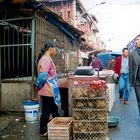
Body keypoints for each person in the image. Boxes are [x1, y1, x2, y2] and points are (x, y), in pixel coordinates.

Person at [35, 40, 61, 136]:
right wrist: (38, 86)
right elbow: (42, 76)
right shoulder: (45, 59)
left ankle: (59, 124)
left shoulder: (47, 58)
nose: (55, 51)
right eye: (55, 49)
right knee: (47, 110)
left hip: (50, 90)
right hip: (47, 90)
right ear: (50, 49)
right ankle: (43, 130)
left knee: (54, 108)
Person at [129, 35, 140, 115]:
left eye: (138, 40)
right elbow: (131, 68)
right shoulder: (132, 53)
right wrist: (131, 81)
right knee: (139, 100)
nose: (136, 41)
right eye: (136, 40)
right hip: (137, 82)